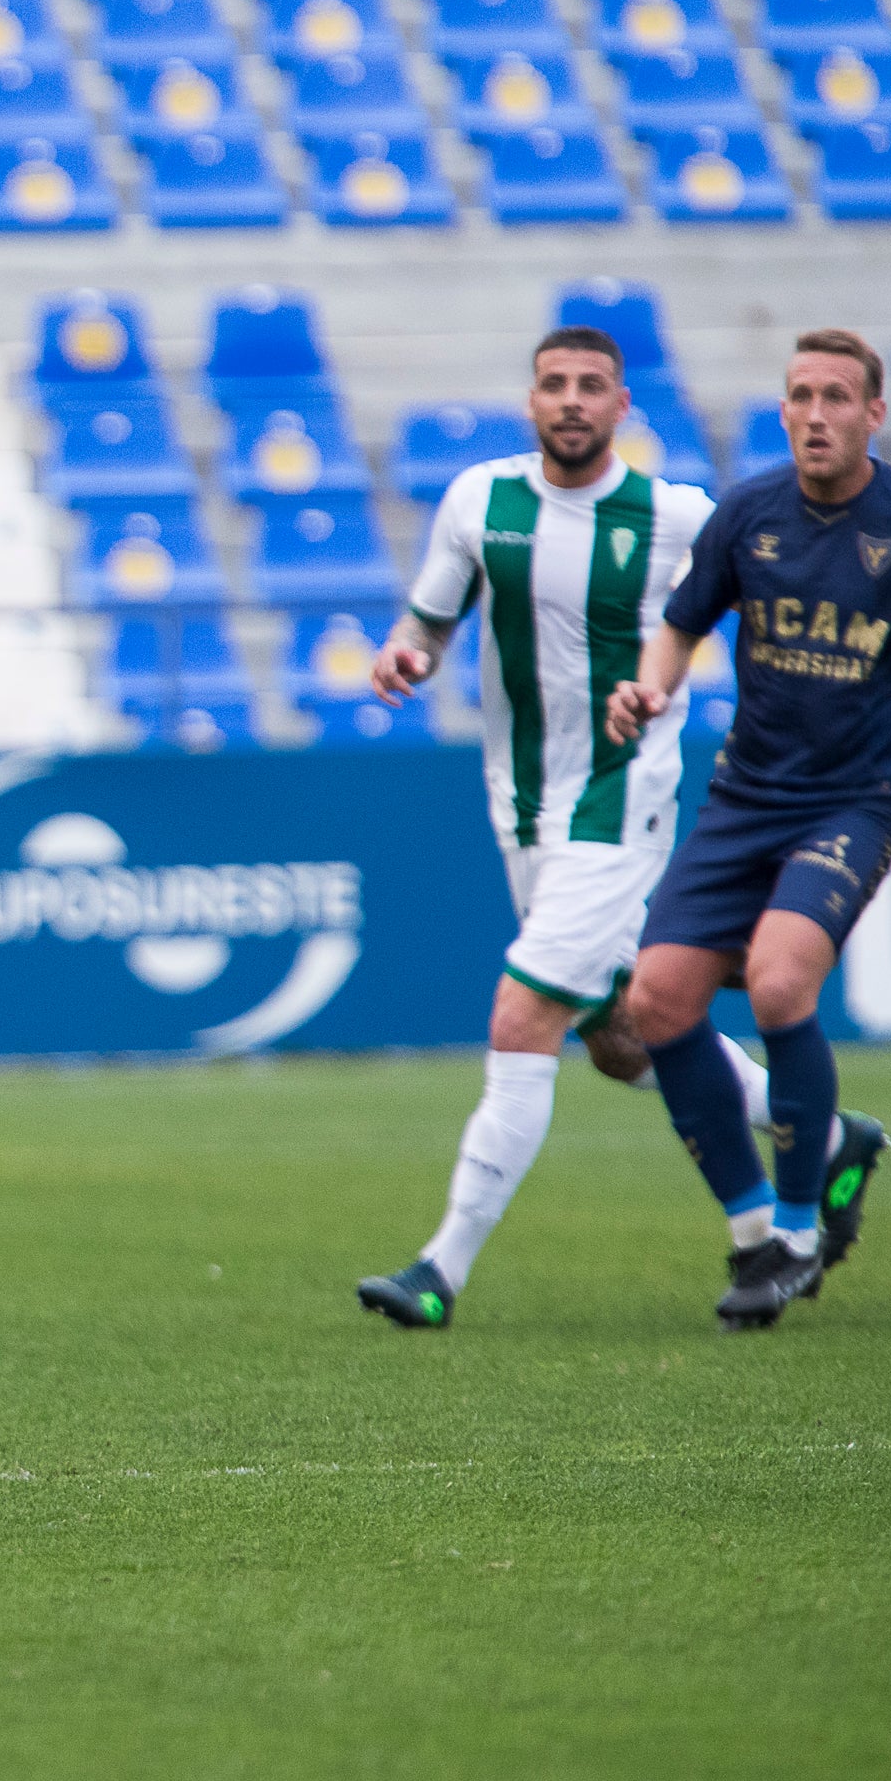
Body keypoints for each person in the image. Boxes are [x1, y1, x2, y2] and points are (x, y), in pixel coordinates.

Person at [352, 326, 791, 1326]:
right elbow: (426, 619)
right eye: (552, 383)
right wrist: (402, 652)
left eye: (589, 385)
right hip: (520, 801)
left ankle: (438, 1268)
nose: (569, 400)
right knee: (623, 1034)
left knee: (522, 1015)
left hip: (618, 796)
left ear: (620, 406)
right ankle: (816, 1126)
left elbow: (778, 581)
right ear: (529, 400)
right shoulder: (478, 500)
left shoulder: (674, 513)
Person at [605, 330, 891, 1328]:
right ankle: (749, 1233)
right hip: (744, 795)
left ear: (872, 412)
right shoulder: (749, 514)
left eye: (834, 396)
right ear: (781, 412)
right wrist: (649, 686)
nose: (813, 413)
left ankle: (800, 1227)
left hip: (852, 800)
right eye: (797, 396)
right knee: (656, 999)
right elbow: (681, 619)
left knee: (775, 978)